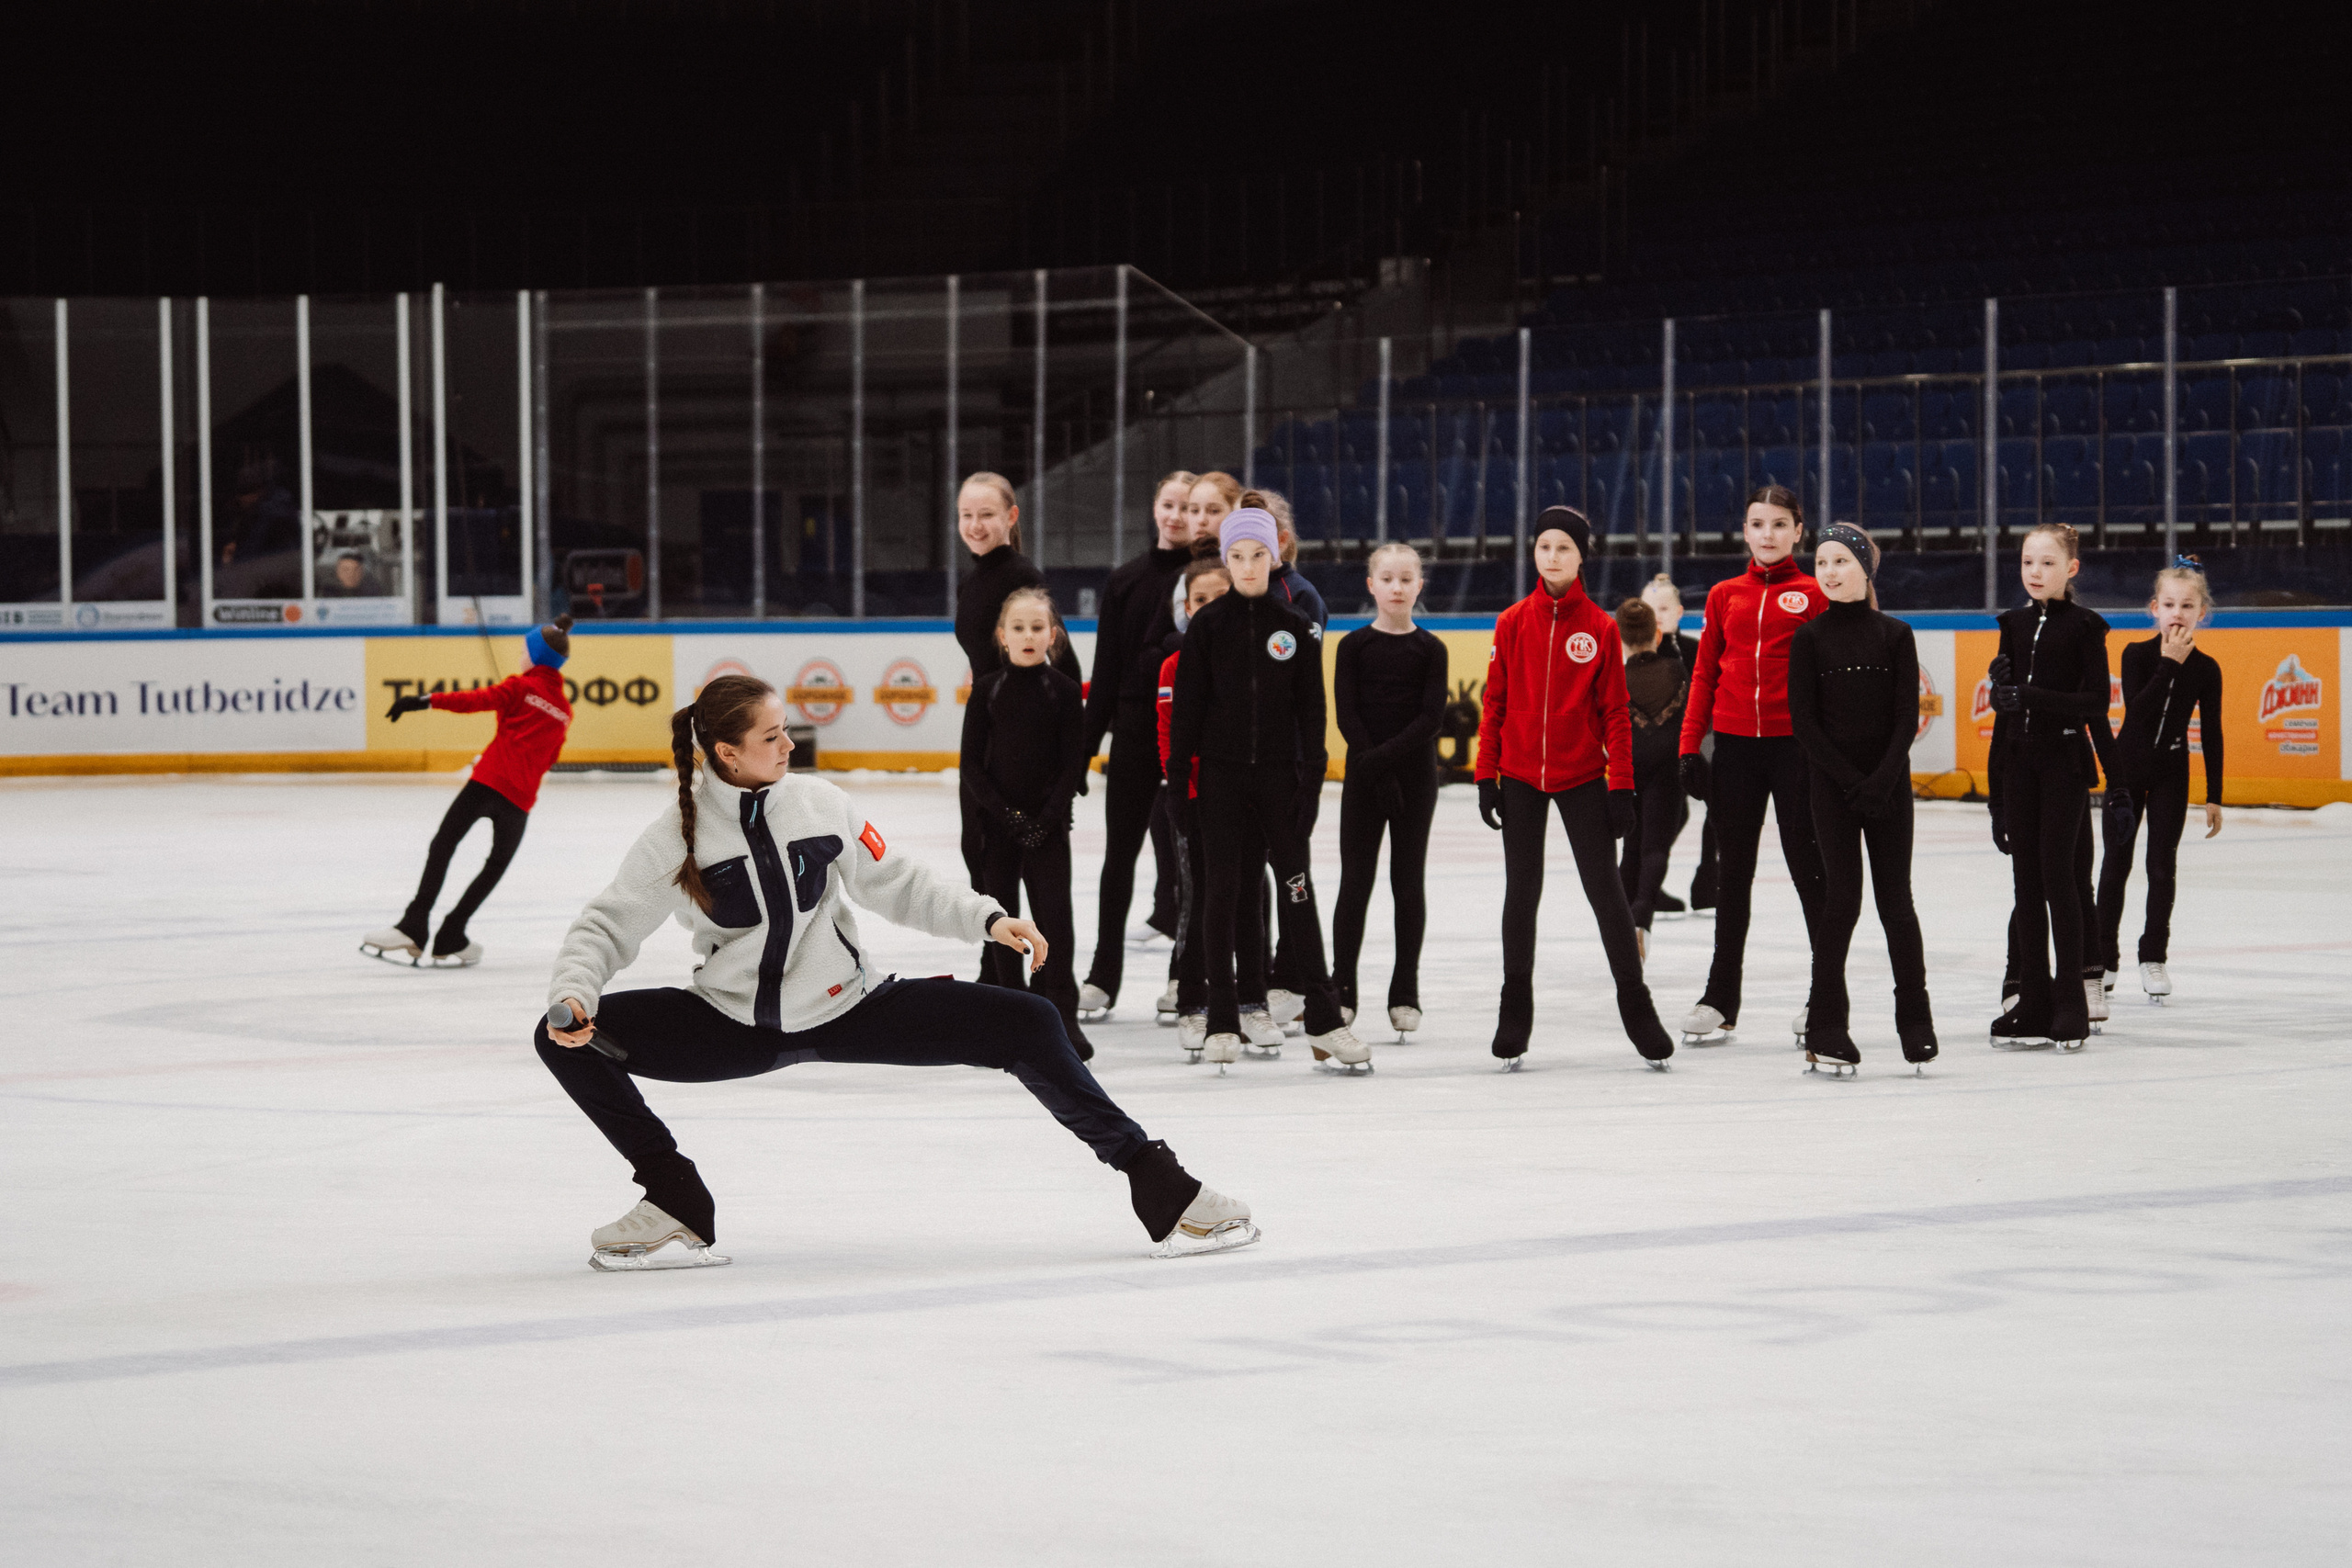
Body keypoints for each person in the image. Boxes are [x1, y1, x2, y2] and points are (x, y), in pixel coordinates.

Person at [537, 674, 1258, 1270]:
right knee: (558, 1036)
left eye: (787, 729)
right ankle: (674, 1199)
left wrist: (986, 918)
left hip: (852, 1007)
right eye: (772, 737)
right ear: (726, 753)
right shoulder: (676, 836)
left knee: (1030, 1022)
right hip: (730, 1024)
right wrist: (575, 993)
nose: (791, 744)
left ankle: (1166, 1192)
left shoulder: (821, 805)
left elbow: (898, 881)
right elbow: (607, 923)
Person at [1166, 508, 1368, 1073]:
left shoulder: (1295, 626)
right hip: (1222, 783)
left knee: (1297, 892)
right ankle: (1223, 1018)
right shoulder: (1207, 628)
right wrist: (1180, 783)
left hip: (1281, 783)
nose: (1249, 566)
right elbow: (1187, 713)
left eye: (1258, 555)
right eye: (1237, 557)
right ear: (1226, 561)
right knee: (1223, 895)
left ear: (1274, 556)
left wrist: (1311, 778)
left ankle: (1326, 1019)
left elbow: (1312, 710)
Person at [1475, 507, 1676, 1068]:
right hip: (1518, 775)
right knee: (1523, 891)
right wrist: (1485, 775)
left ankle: (1637, 1006)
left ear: (1582, 555)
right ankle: (1514, 1010)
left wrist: (1622, 786)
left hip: (1583, 774)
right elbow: (1495, 705)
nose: (1553, 557)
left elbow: (1615, 711)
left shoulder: (1601, 628)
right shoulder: (1513, 621)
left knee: (1606, 891)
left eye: (1564, 547)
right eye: (1544, 547)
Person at [1674, 485, 1829, 1047]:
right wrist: (1690, 747)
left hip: (1795, 750)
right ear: (1745, 531)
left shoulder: (1814, 593)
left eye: (1779, 524)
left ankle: (1825, 995)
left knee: (1809, 870)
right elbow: (1705, 675)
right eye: (1757, 523)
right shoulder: (1723, 595)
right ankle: (1720, 998)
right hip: (1735, 750)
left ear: (1797, 532)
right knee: (1730, 874)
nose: (1768, 534)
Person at [1785, 525, 1938, 1073]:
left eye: (1841, 561)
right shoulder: (1809, 639)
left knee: (1896, 903)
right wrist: (1851, 780)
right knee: (1840, 904)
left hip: (1889, 787)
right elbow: (1804, 723)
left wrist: (1880, 780)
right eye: (1821, 561)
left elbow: (1905, 717)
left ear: (1865, 569)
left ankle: (1915, 1023)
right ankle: (1827, 1027)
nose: (1828, 571)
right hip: (1832, 788)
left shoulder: (1896, 635)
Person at [362, 615, 575, 967]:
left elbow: (473, 700)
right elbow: (550, 757)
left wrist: (424, 700)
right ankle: (452, 933)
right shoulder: (564, 712)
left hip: (486, 783)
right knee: (493, 867)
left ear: (537, 657)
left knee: (443, 844)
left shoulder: (520, 687)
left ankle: (414, 926)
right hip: (520, 800)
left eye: (524, 650)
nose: (521, 656)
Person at [1077, 470, 1197, 1021]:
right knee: (1118, 857)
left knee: (1188, 860)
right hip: (1132, 732)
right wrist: (1083, 748)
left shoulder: (1208, 580)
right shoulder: (1125, 580)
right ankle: (1103, 975)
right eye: (1167, 504)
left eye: (1186, 507)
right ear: (1155, 509)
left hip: (1192, 731)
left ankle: (1183, 974)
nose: (1175, 517)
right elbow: (1105, 673)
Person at [1986, 523, 2109, 1051]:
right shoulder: (2012, 623)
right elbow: (2005, 713)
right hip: (2019, 767)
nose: (2035, 573)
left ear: (2071, 569)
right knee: (2026, 887)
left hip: (2062, 765)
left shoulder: (2085, 627)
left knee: (2061, 882)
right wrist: (2002, 697)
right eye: (2027, 563)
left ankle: (2071, 1003)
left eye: (2047, 563)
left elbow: (2095, 703)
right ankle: (2033, 1000)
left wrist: (2030, 695)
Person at [951, 473, 1080, 977]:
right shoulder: (976, 577)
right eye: (966, 515)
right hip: (989, 731)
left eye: (986, 514)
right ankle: (997, 974)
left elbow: (1065, 669)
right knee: (982, 864)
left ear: (1011, 517)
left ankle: (1045, 992)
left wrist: (1065, 766)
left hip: (1016, 749)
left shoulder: (1021, 578)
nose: (975, 525)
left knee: (1015, 876)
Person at [963, 587, 1092, 1057]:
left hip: (1049, 828)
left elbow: (1070, 763)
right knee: (1002, 920)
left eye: (1038, 627)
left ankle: (1064, 1015)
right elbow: (972, 767)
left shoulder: (1062, 690)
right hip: (999, 828)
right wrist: (1011, 818)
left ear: (1053, 636)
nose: (1028, 635)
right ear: (1002, 636)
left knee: (1056, 917)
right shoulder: (988, 690)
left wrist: (1046, 819)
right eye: (1018, 628)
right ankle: (1009, 1015)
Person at [2097, 558, 2225, 1004]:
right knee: (2115, 865)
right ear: (2154, 607)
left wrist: (2215, 794)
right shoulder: (2136, 654)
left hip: (2173, 769)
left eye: (2187, 606)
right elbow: (2139, 711)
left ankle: (2153, 956)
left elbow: (2211, 731)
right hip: (2127, 767)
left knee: (2161, 866)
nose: (2177, 613)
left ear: (2201, 614)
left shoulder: (2207, 668)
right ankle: (2104, 957)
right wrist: (2168, 663)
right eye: (2169, 603)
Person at [1155, 558, 1269, 1059]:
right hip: (1197, 799)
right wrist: (1183, 788)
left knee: (1249, 896)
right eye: (1198, 600)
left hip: (1246, 797)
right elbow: (1168, 734)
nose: (1207, 608)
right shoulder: (1174, 666)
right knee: (1199, 898)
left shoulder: (1256, 655)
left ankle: (1253, 1001)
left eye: (1216, 598)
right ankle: (1192, 1000)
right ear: (1185, 609)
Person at [1331, 543, 1447, 1038]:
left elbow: (1430, 719)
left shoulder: (1431, 649)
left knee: (1407, 882)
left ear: (1419, 586)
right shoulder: (1353, 646)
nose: (1397, 587)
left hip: (1415, 779)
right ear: (1371, 585)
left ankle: (1405, 991)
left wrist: (1385, 765)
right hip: (1364, 778)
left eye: (1406, 579)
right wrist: (1376, 769)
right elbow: (1347, 715)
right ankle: (1343, 990)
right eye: (1388, 578)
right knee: (1354, 883)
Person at [1614, 597, 1689, 947]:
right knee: (1656, 845)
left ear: (1621, 638)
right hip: (1668, 769)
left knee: (1632, 847)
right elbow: (1692, 720)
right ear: (1657, 635)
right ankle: (1642, 914)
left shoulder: (1617, 678)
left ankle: (1621, 922)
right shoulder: (1676, 670)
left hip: (1629, 768)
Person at [1644, 574, 1711, 918]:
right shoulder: (1631, 651)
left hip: (1688, 748)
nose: (1657, 615)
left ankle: (1704, 882)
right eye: (1650, 609)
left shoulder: (1692, 650)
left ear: (1680, 612)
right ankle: (1645, 887)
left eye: (1665, 608)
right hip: (1649, 754)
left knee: (1712, 806)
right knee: (1665, 816)